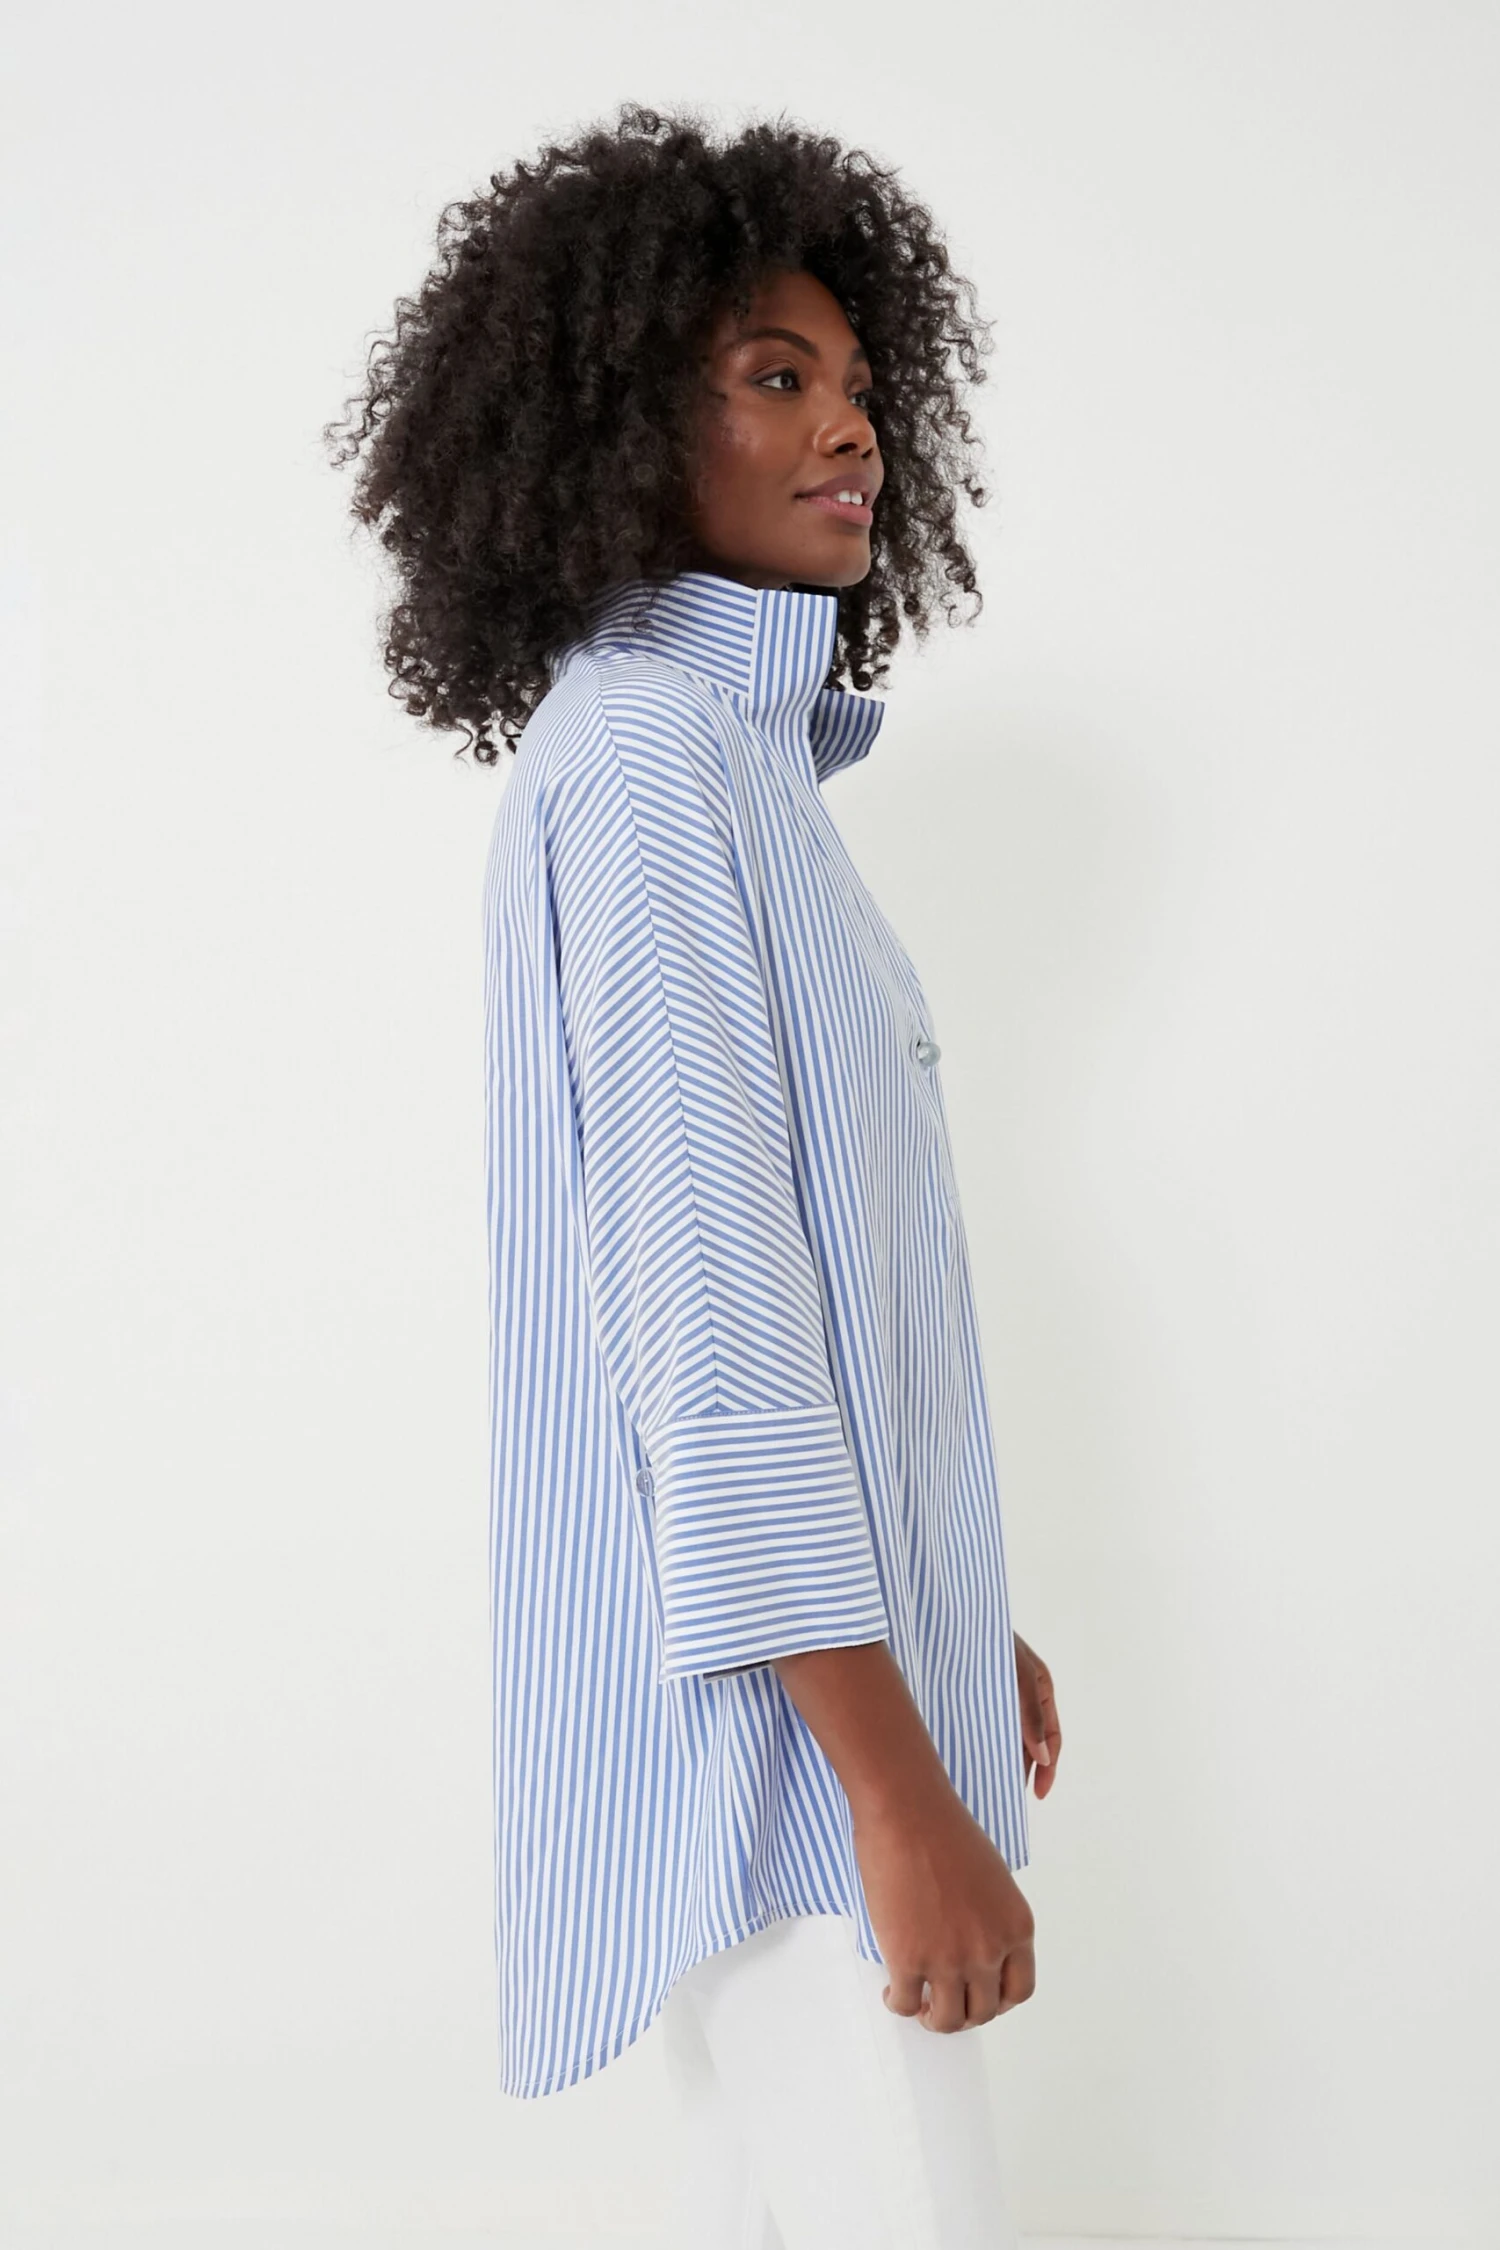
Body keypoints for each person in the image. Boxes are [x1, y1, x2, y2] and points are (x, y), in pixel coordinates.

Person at [325, 98, 1063, 2250]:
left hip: (821, 1712)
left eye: (859, 385)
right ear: (616, 428)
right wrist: (896, 1784)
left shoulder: (737, 774)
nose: (851, 431)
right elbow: (713, 1332)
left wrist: (955, 1615)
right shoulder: (652, 773)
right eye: (772, 374)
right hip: (790, 1772)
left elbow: (805, 1278)